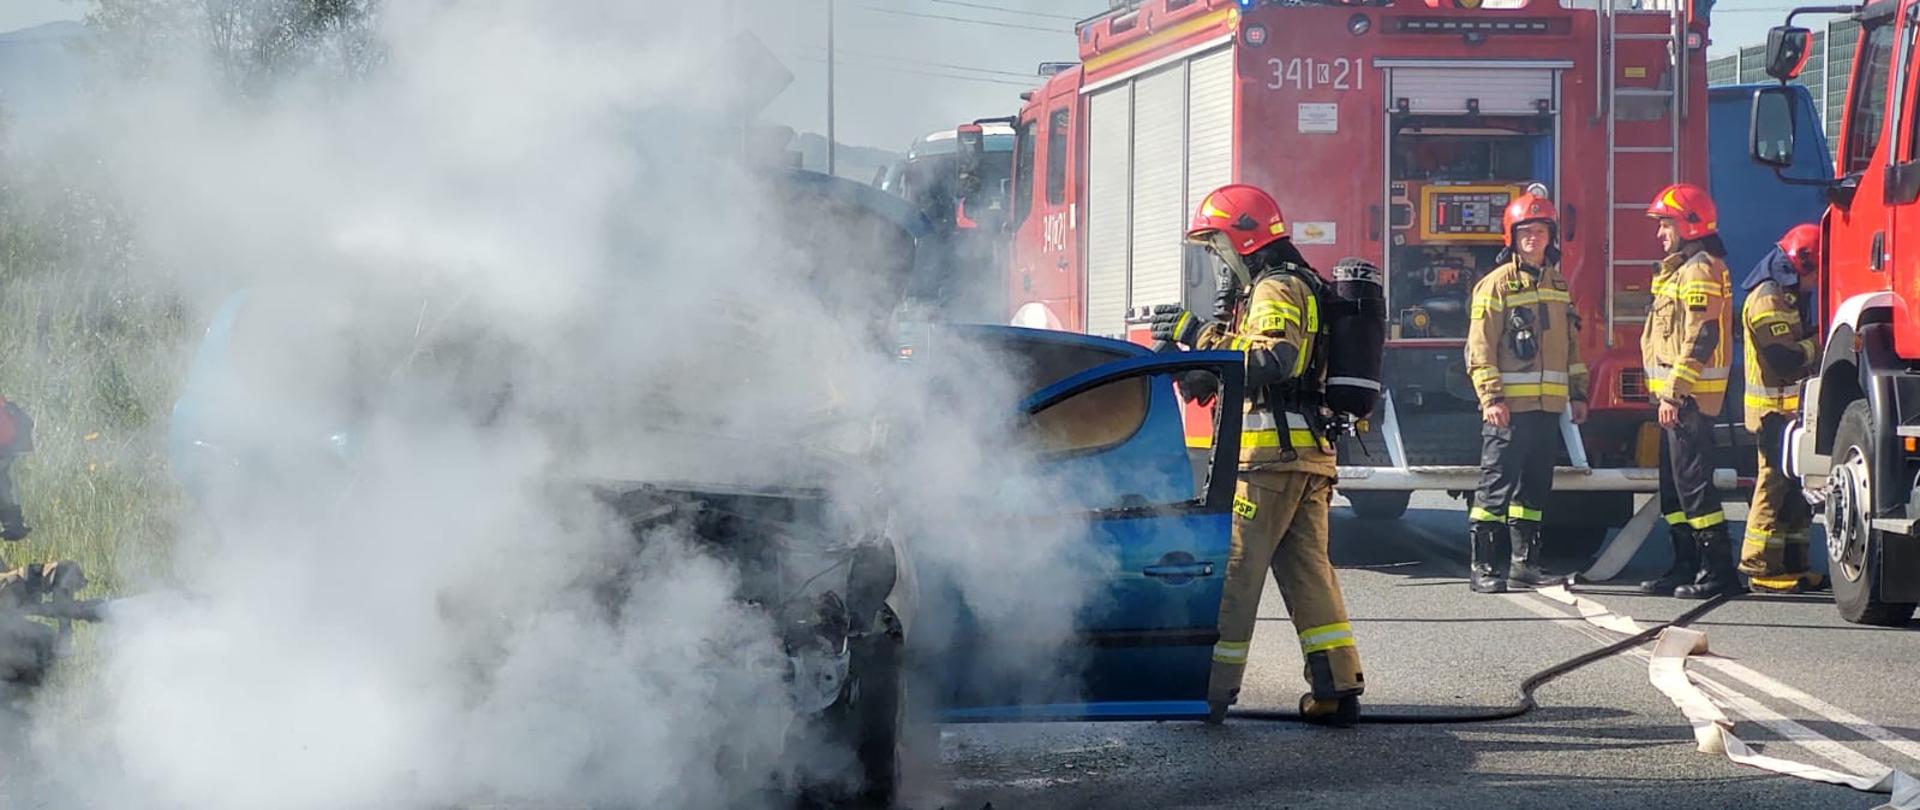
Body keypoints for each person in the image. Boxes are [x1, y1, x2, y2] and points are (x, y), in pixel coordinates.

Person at [1150, 184, 1364, 727]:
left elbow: (1276, 360)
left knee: (1236, 576)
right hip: (1304, 457)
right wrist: (1203, 364)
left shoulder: (1275, 287)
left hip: (1269, 462)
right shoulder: (1289, 285)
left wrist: (1197, 333)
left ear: (1243, 238)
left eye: (1218, 244)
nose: (1218, 260)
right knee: (1309, 575)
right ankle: (1337, 690)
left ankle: (1210, 692)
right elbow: (1253, 362)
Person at [1462, 188, 1588, 593]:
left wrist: (1578, 393)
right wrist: (1491, 397)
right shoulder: (1495, 286)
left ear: (1551, 236)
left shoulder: (1558, 285)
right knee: (1494, 488)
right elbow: (1478, 347)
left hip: (1547, 408)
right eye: (1525, 232)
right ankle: (1483, 568)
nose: (1533, 238)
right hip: (1508, 409)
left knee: (1534, 488)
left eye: (1540, 231)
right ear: (1512, 237)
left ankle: (1524, 565)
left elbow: (1571, 346)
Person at [1636, 183, 1738, 599]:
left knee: (1694, 487)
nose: (1660, 233)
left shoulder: (1699, 269)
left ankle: (1718, 572)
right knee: (1674, 489)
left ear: (1690, 225)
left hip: (1689, 401)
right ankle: (1685, 565)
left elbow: (1702, 336)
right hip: (1675, 402)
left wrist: (1674, 393)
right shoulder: (1679, 268)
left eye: (1666, 224)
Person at [1738, 223, 1825, 593]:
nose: (1817, 280)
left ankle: (1793, 564)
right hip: (1772, 413)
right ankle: (1758, 566)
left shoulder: (1788, 294)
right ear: (1801, 262)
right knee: (1772, 487)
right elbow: (1782, 359)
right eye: (1816, 270)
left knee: (1795, 492)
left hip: (1792, 410)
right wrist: (1818, 344)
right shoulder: (1767, 297)